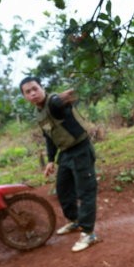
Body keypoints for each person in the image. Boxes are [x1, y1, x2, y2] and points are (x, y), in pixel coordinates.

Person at [19, 76, 100, 252]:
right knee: (63, 189)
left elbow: (58, 104)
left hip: (80, 149)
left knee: (86, 191)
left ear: (42, 88)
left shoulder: (54, 102)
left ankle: (89, 233)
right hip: (65, 153)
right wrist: (50, 160)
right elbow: (49, 137)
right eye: (28, 92)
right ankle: (75, 221)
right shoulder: (38, 113)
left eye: (35, 88)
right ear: (25, 97)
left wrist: (62, 99)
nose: (33, 93)